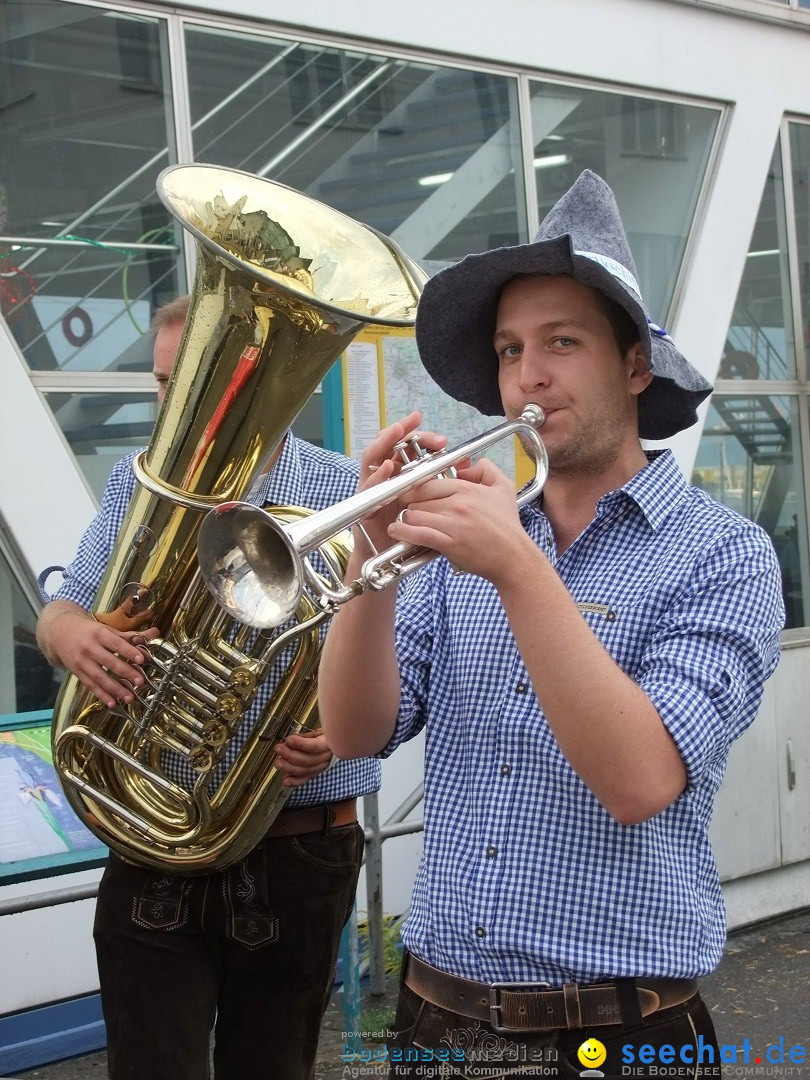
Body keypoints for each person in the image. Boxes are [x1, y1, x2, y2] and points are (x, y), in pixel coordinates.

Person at [318, 171, 785, 1079]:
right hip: (435, 1017)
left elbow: (641, 778)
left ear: (636, 366)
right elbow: (352, 732)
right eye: (508, 349)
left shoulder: (724, 555)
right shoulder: (477, 538)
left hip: (614, 1035)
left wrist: (518, 569)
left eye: (562, 342)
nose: (527, 374)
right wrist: (369, 564)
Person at [36, 295, 380, 1080]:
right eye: (166, 386)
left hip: (298, 846)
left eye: (201, 385)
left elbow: (402, 653)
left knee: (273, 1068)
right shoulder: (141, 482)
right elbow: (70, 598)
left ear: (269, 390)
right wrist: (66, 631)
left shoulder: (343, 490)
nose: (180, 410)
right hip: (150, 832)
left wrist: (350, 733)